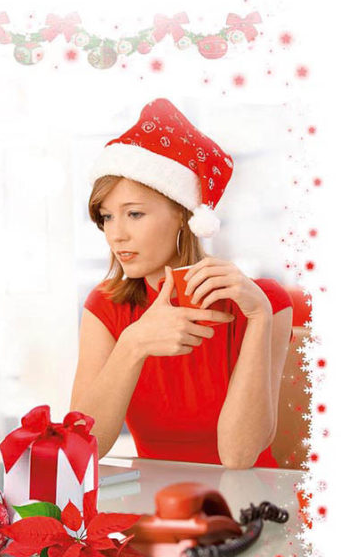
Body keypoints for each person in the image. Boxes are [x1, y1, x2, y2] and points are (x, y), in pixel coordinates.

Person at [70, 98, 293, 469]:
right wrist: (134, 343)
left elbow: (238, 456)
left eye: (134, 214)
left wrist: (259, 320)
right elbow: (82, 449)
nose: (116, 235)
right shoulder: (106, 305)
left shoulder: (265, 301)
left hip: (248, 506)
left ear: (183, 215)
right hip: (153, 504)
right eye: (107, 217)